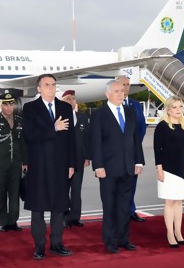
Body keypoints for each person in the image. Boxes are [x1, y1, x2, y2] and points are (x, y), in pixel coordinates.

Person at [22, 74, 76, 260]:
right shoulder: (30, 108)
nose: (51, 88)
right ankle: (39, 246)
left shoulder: (65, 107)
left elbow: (71, 139)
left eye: (53, 84)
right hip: (39, 165)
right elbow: (29, 135)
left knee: (58, 207)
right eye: (46, 85)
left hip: (61, 165)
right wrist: (53, 128)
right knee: (38, 208)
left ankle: (57, 243)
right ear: (39, 88)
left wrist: (71, 163)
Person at [91, 80, 145, 254]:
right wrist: (98, 165)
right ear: (108, 94)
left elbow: (135, 139)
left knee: (124, 207)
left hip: (129, 168)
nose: (121, 93)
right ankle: (110, 242)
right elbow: (96, 143)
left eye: (122, 91)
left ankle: (124, 239)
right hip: (107, 170)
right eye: (117, 91)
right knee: (110, 207)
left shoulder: (130, 112)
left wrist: (139, 161)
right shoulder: (99, 114)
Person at [153, 96, 184, 248]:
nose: (178, 110)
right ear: (168, 110)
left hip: (183, 168)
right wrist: (159, 169)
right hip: (168, 169)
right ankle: (170, 233)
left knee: (179, 202)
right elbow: (157, 149)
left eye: (180, 107)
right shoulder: (162, 126)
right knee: (170, 201)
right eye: (174, 107)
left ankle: (179, 232)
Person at [0, 92, 27, 232]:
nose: (9, 107)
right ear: (1, 105)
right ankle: (4, 222)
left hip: (16, 163)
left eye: (11, 104)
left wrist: (25, 161)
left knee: (14, 193)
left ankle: (13, 221)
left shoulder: (19, 120)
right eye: (6, 104)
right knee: (1, 194)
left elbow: (23, 142)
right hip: (0, 164)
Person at [117, 76, 147, 222]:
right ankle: (117, 212)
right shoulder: (110, 106)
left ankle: (130, 210)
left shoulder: (135, 105)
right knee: (116, 185)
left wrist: (134, 146)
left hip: (133, 152)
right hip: (115, 154)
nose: (126, 87)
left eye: (128, 84)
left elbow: (142, 127)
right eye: (123, 84)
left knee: (131, 182)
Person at [60, 90, 91, 228]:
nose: (71, 101)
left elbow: (87, 139)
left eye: (73, 98)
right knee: (63, 189)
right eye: (67, 99)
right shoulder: (58, 118)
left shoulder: (82, 117)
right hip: (63, 161)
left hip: (79, 160)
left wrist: (87, 157)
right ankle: (65, 216)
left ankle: (75, 217)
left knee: (76, 190)